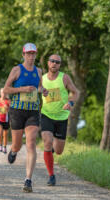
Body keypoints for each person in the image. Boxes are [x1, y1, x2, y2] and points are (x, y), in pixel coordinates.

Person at [3, 42, 48, 193]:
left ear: (36, 55)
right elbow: (6, 89)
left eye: (33, 53)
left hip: (33, 111)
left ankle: (28, 180)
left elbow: (39, 87)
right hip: (16, 111)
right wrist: (22, 89)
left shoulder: (39, 71)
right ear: (23, 55)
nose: (31, 56)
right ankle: (14, 151)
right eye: (28, 54)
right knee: (17, 144)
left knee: (31, 142)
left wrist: (44, 90)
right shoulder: (17, 70)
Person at [41, 54, 79, 186]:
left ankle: (50, 150)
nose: (54, 64)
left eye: (57, 62)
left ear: (59, 65)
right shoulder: (42, 79)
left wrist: (71, 103)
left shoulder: (65, 78)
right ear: (48, 63)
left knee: (58, 151)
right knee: (47, 141)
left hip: (62, 117)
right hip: (46, 115)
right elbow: (35, 92)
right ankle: (51, 175)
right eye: (52, 61)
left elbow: (76, 92)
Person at [0, 88, 11, 154]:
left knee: (5, 135)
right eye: (2, 93)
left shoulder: (8, 101)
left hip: (6, 120)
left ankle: (4, 147)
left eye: (4, 93)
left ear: (6, 94)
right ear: (0, 93)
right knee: (0, 133)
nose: (3, 94)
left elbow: (11, 109)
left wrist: (8, 108)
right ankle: (0, 145)